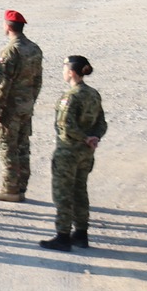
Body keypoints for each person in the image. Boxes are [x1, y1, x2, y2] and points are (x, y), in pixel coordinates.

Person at [41, 55, 106, 251]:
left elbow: (65, 126)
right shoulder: (93, 94)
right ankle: (81, 233)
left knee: (63, 194)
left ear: (71, 72)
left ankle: (62, 236)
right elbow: (102, 122)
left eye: (64, 69)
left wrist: (85, 137)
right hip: (86, 153)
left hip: (68, 151)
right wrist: (94, 137)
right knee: (80, 191)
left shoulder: (70, 97)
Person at [0, 10, 45, 202]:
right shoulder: (34, 48)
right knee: (23, 145)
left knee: (8, 145)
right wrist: (31, 99)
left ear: (7, 26)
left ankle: (9, 188)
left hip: (11, 106)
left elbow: (4, 83)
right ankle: (21, 187)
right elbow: (38, 79)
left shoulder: (10, 51)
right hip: (26, 104)